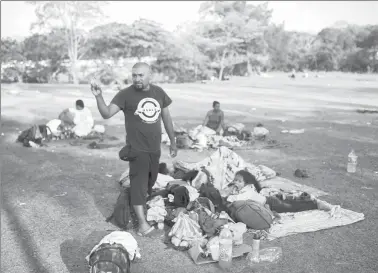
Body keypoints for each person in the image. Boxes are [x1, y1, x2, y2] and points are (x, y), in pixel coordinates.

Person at [90, 62, 177, 237]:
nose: (137, 78)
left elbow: (166, 117)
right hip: (137, 150)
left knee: (150, 183)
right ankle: (142, 225)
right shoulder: (125, 94)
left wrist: (173, 141)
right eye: (134, 75)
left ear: (150, 75)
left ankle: (139, 206)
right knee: (138, 185)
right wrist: (99, 97)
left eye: (141, 75)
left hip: (154, 149)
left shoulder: (159, 93)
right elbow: (106, 113)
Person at [224, 170, 318, 213]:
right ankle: (303, 198)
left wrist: (227, 196)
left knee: (291, 208)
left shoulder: (247, 191)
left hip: (271, 203)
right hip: (270, 200)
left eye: (239, 181)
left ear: (246, 183)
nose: (236, 182)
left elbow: (236, 199)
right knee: (288, 202)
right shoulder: (238, 189)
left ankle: (313, 204)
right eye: (235, 180)